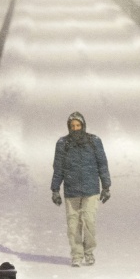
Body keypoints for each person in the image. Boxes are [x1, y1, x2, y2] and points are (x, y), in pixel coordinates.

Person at [51, 111, 111, 267]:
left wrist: (106, 186)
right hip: (71, 191)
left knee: (89, 221)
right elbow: (58, 168)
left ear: (83, 126)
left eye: (78, 125)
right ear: (69, 127)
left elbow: (102, 164)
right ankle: (77, 254)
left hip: (91, 189)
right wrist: (55, 189)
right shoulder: (62, 143)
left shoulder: (94, 141)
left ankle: (89, 252)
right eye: (73, 126)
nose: (76, 128)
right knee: (73, 225)